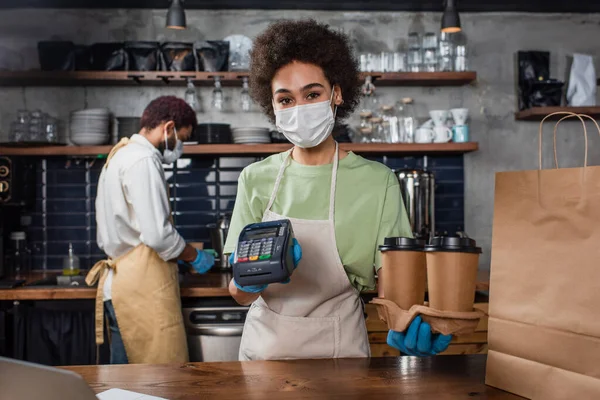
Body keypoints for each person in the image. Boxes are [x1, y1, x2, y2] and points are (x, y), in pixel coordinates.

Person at [223, 20, 452, 361]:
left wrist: (404, 325)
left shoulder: (378, 182)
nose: (299, 109)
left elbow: (393, 291)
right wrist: (250, 280)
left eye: (312, 94)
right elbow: (239, 294)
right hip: (264, 359)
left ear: (337, 93)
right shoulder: (255, 179)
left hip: (342, 358)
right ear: (272, 107)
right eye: (285, 99)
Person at [86, 96, 216, 365]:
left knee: (124, 380)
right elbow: (158, 235)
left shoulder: (119, 155)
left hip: (122, 284)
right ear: (168, 128)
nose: (180, 146)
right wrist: (194, 256)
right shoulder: (144, 160)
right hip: (141, 288)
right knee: (157, 378)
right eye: (182, 137)